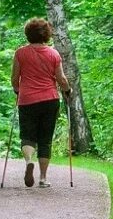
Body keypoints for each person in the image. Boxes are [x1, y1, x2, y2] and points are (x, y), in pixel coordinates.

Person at [11, 17, 71, 188]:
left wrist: (17, 90)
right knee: (45, 140)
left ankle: (29, 161)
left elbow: (14, 78)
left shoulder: (20, 53)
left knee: (28, 136)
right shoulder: (53, 54)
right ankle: (43, 178)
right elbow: (61, 79)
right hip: (49, 100)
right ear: (47, 34)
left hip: (27, 99)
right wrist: (67, 91)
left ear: (28, 34)